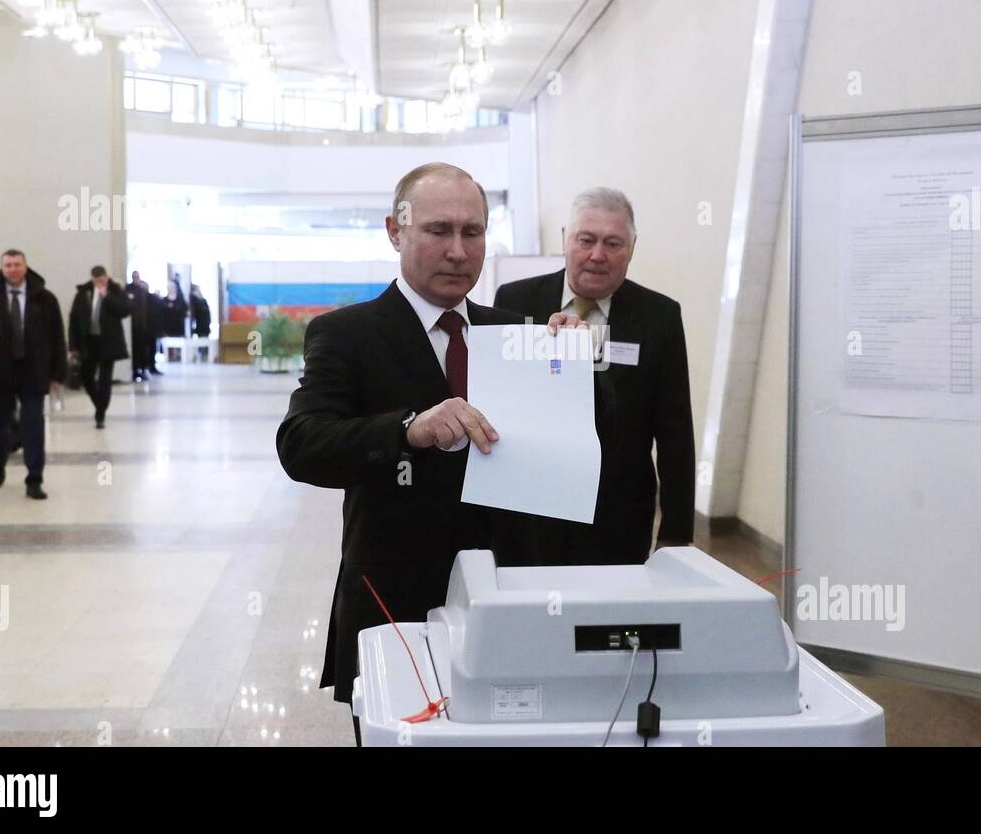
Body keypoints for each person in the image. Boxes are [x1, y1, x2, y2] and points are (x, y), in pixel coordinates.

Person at [276, 163, 586, 737]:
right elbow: (301, 444)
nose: (458, 250)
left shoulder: (516, 334)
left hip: (509, 599)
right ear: (395, 232)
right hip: (397, 601)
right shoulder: (347, 334)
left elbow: (593, 439)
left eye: (473, 232)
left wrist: (578, 371)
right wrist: (407, 429)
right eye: (438, 230)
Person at [494, 187, 696, 565]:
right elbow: (500, 403)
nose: (597, 255)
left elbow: (675, 431)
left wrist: (675, 532)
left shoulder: (660, 317)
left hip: (619, 515)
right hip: (531, 510)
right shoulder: (515, 301)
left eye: (613, 243)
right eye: (585, 240)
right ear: (565, 240)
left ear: (632, 248)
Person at [0, 250, 67, 500]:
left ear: (25, 266)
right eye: (7, 265)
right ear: (1, 268)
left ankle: (34, 479)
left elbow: (57, 337)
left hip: (33, 372)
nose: (12, 269)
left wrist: (58, 372)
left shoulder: (44, 299)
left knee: (33, 425)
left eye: (17, 264)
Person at [69, 266, 130, 429]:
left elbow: (125, 310)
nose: (100, 283)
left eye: (103, 279)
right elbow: (74, 319)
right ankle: (99, 404)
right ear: (92, 279)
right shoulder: (84, 293)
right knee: (86, 376)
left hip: (108, 342)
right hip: (89, 342)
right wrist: (73, 346)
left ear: (107, 277)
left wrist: (107, 297)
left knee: (105, 379)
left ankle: (100, 415)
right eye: (97, 280)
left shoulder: (115, 290)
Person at [125, 270, 152, 382]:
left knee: (142, 350)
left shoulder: (142, 291)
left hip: (143, 325)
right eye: (134, 277)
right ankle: (135, 371)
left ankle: (142, 369)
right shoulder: (128, 290)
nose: (136, 278)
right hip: (133, 326)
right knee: (135, 350)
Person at [190, 284, 211, 359]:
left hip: (205, 324)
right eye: (197, 290)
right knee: (201, 339)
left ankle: (204, 354)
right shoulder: (194, 300)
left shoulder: (203, 300)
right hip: (199, 325)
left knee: (204, 339)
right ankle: (201, 354)